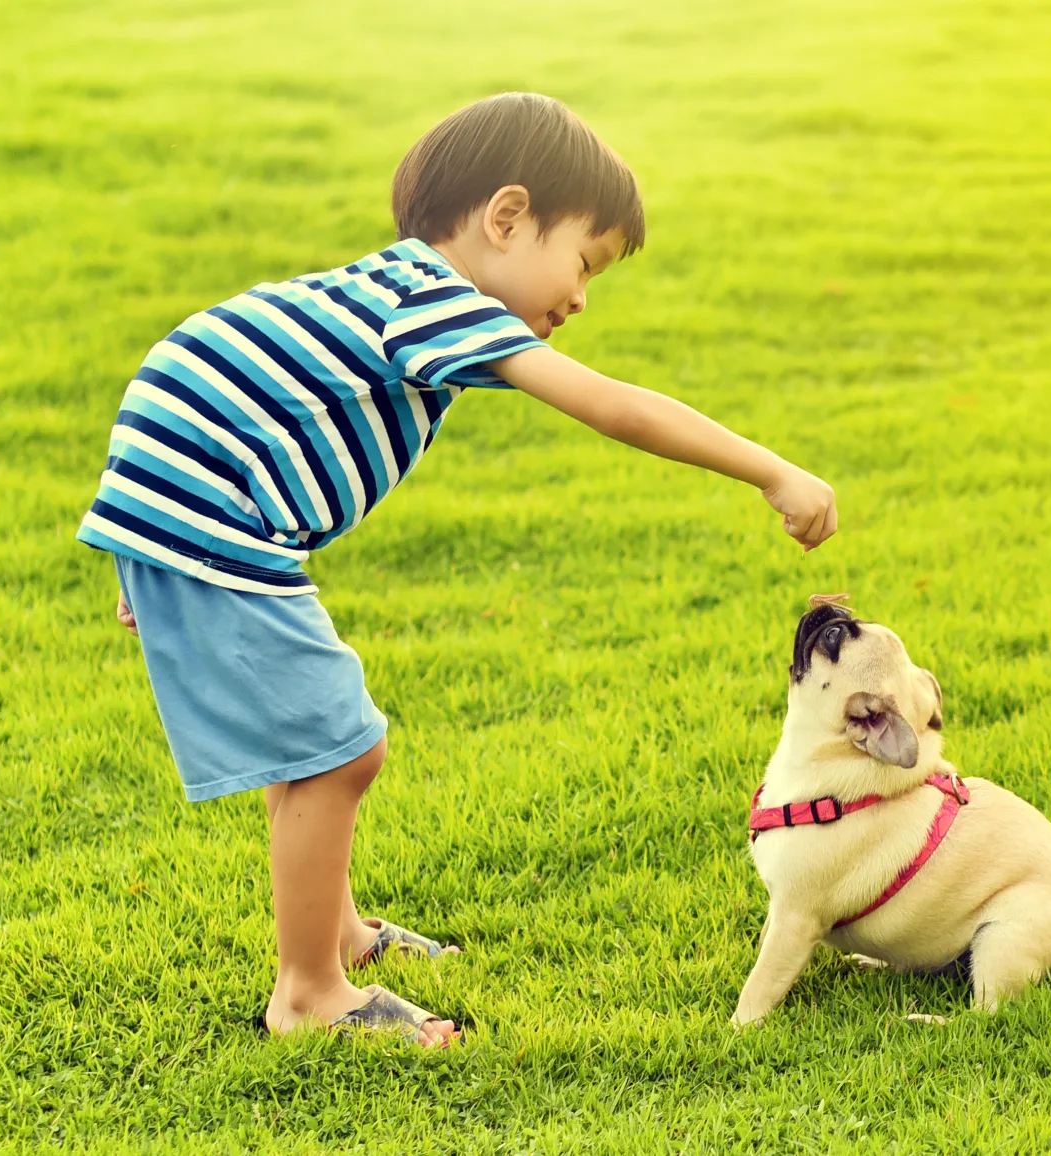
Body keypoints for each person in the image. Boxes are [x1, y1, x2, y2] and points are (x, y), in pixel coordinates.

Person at [77, 92, 837, 1048]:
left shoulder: (395, 289)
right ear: (507, 217)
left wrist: (142, 545)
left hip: (185, 505)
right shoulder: (439, 299)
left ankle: (340, 933)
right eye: (584, 261)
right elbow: (608, 405)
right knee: (341, 750)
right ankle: (309, 994)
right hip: (210, 521)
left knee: (306, 742)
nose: (582, 295)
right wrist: (770, 469)